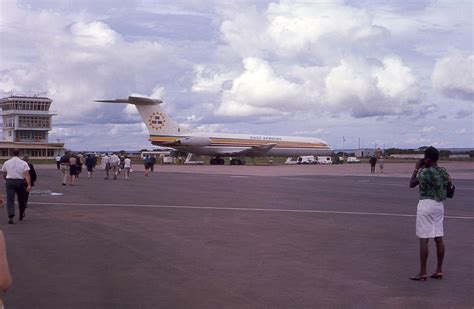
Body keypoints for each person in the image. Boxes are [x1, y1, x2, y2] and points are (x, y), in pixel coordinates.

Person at [409, 146, 451, 281]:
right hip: (439, 205)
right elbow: (449, 185)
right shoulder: (443, 171)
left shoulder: (424, 172)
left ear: (427, 159)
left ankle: (423, 272)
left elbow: (411, 183)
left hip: (426, 204)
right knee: (438, 237)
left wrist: (416, 168)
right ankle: (439, 270)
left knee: (424, 238)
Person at [1, 149, 31, 224]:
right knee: (21, 199)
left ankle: (11, 215)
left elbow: (4, 173)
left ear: (12, 153)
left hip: (10, 181)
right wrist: (29, 184)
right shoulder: (23, 163)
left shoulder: (7, 162)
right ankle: (21, 214)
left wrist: (6, 179)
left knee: (10, 199)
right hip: (20, 181)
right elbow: (26, 174)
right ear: (19, 154)